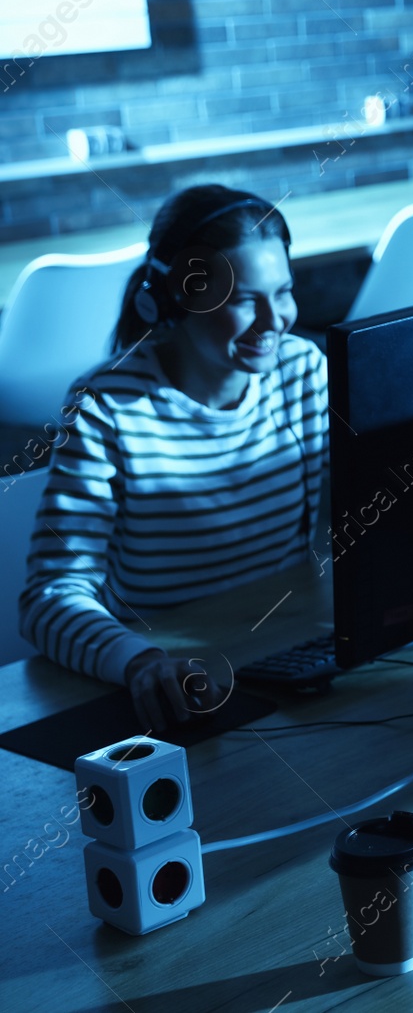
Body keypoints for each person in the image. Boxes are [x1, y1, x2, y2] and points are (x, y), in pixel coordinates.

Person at [19, 185, 328, 732]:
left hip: (287, 659)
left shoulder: (304, 372)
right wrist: (140, 660)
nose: (274, 321)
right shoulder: (107, 406)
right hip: (178, 685)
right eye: (243, 300)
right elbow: (49, 598)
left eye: (284, 292)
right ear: (173, 301)